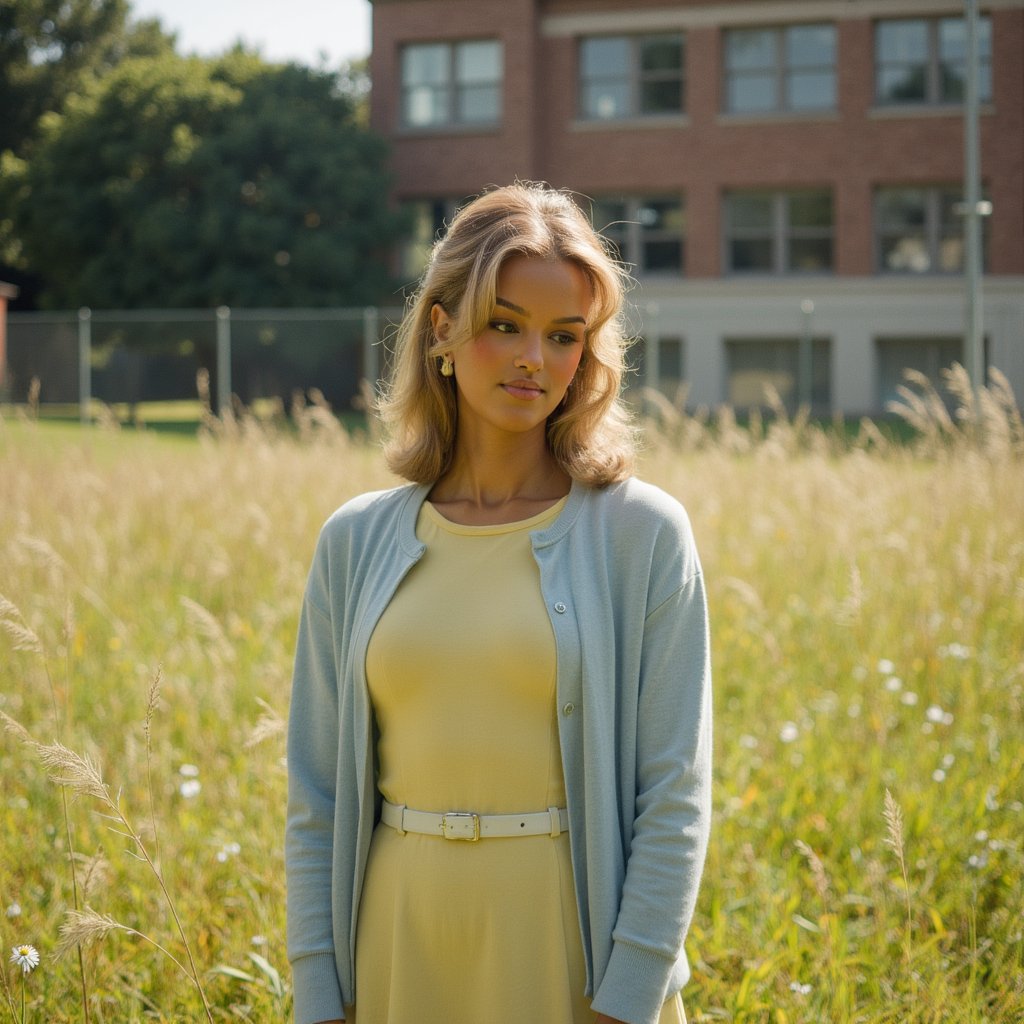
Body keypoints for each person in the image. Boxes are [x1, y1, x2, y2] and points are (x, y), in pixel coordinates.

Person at [285, 182, 712, 1024]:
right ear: (441, 329)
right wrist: (316, 993)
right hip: (398, 944)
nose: (534, 360)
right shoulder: (355, 541)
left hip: (568, 949)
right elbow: (318, 796)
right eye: (506, 324)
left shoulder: (641, 533)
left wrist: (627, 998)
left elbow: (675, 793)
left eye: (564, 337)